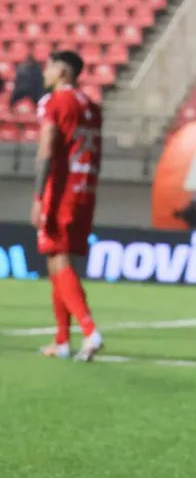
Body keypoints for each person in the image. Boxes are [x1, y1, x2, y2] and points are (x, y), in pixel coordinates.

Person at [33, 50, 104, 363]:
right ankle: (62, 340)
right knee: (58, 261)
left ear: (61, 71)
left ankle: (90, 330)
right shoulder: (92, 106)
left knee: (59, 258)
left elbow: (47, 150)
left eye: (48, 68)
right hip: (86, 189)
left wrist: (38, 197)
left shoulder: (55, 102)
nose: (44, 74)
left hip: (62, 191)